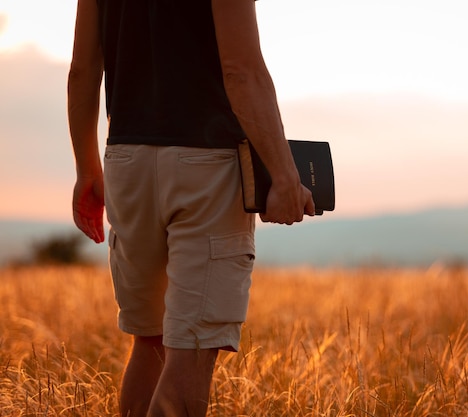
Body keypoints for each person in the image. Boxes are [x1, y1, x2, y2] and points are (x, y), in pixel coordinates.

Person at [67, 0, 315, 415]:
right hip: (206, 165)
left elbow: (82, 70)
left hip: (126, 159)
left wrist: (87, 169)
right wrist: (285, 176)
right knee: (193, 348)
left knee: (150, 342)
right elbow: (242, 71)